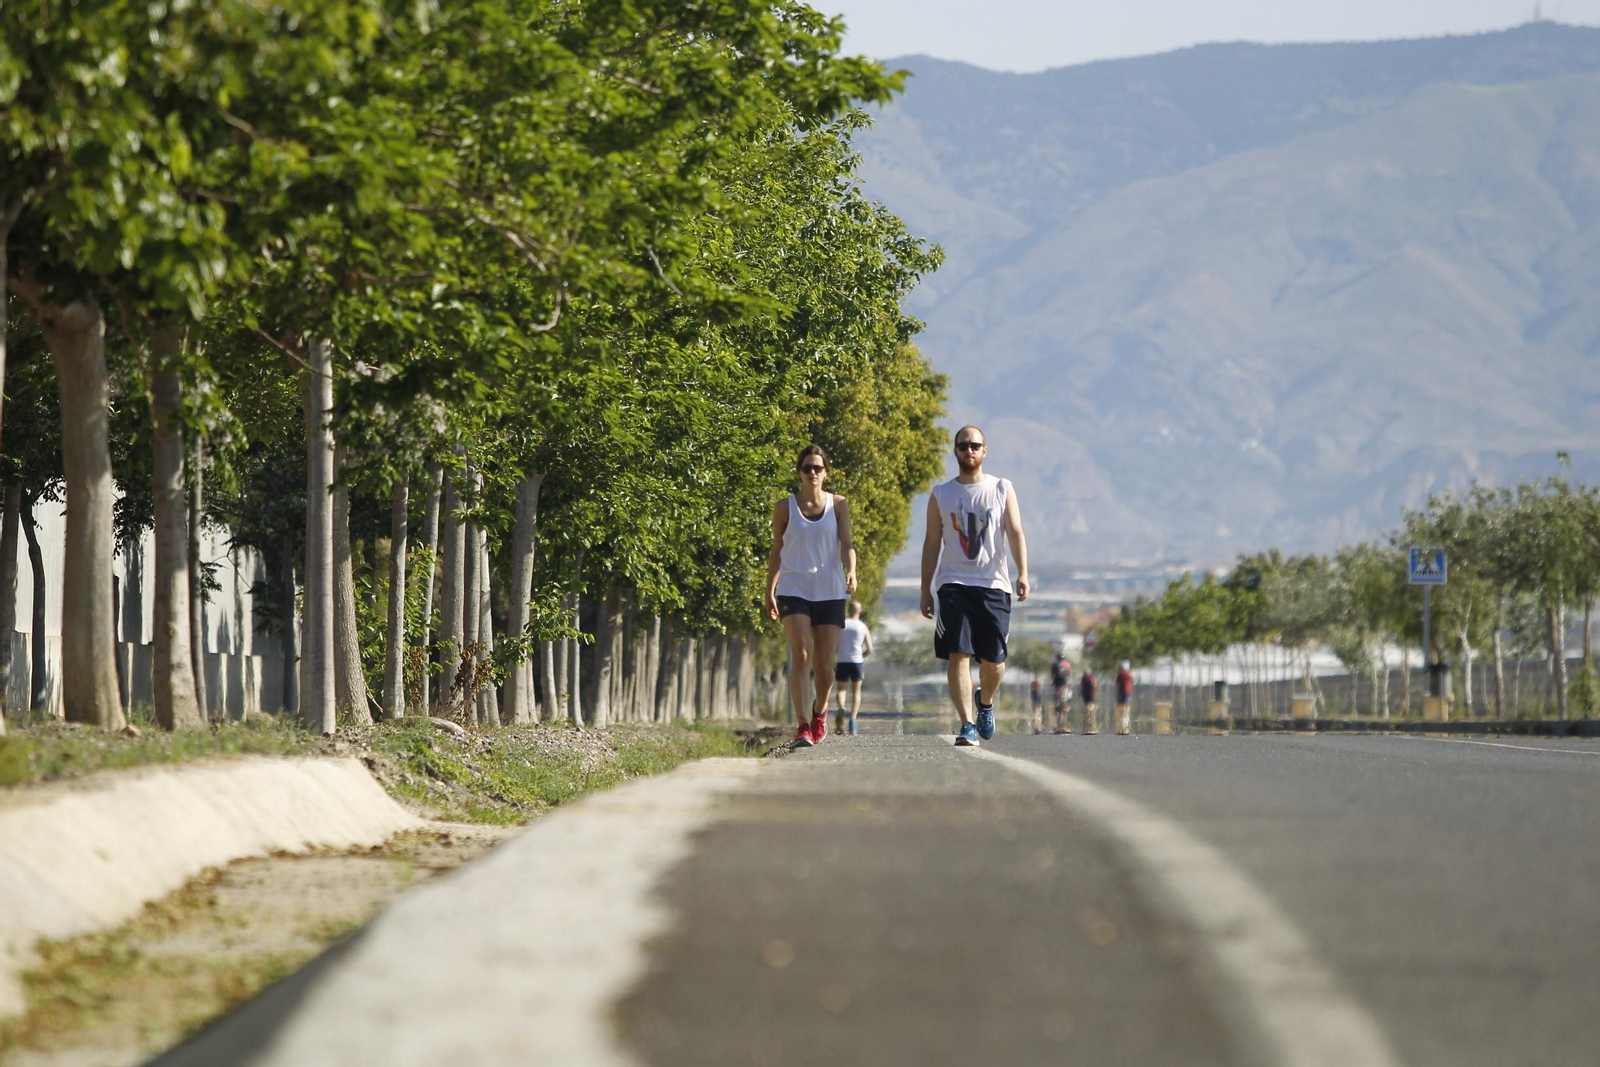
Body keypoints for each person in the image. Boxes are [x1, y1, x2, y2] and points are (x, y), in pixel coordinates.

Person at [919, 424, 1030, 747]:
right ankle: (967, 723)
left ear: (985, 451)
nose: (969, 450)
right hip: (953, 583)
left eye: (975, 445)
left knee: (994, 662)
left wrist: (1022, 572)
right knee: (959, 653)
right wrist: (926, 589)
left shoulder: (1001, 488)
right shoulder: (941, 494)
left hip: (994, 584)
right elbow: (931, 544)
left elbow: (1015, 532)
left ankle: (986, 702)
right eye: (963, 445)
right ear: (955, 451)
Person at [766, 445, 857, 747]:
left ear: (826, 472)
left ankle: (820, 709)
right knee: (801, 656)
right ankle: (803, 724)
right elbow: (777, 550)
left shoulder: (839, 504)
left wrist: (851, 569)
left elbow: (846, 542)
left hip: (830, 590)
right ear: (799, 473)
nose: (813, 473)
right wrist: (770, 590)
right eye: (807, 468)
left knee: (824, 665)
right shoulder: (784, 508)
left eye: (818, 468)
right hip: (794, 588)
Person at [833, 601, 873, 736]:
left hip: (842, 660)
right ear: (859, 611)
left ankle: (841, 706)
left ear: (848, 611)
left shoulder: (841, 625)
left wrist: (840, 652)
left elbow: (835, 645)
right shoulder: (862, 627)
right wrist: (862, 656)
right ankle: (852, 721)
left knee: (841, 689)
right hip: (857, 661)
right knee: (856, 692)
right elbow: (870, 649)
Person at [1050, 651, 1073, 733]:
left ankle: (1056, 724)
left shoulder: (1054, 665)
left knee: (1056, 704)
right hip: (1064, 687)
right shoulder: (1067, 664)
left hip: (1056, 687)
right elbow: (1069, 675)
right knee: (1064, 705)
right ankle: (1063, 723)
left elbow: (1052, 675)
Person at [1115, 660, 1135, 735]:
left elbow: (1117, 682)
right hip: (1128, 692)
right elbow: (1133, 681)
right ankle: (1125, 728)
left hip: (1121, 692)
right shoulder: (1129, 674)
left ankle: (1122, 728)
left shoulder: (1120, 674)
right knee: (1126, 710)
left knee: (1122, 710)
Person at [1080, 667, 1098, 735]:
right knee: (1091, 711)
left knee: (1086, 711)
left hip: (1086, 696)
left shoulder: (1084, 678)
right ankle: (1091, 727)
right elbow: (1094, 686)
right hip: (1091, 696)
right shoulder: (1092, 678)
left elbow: (1082, 688)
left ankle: (1086, 728)